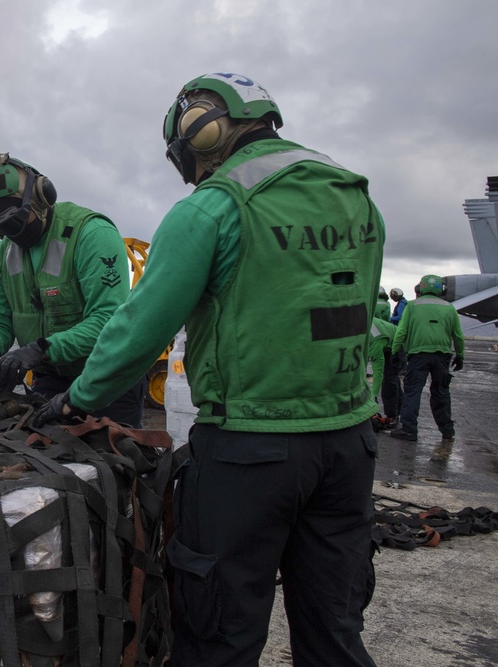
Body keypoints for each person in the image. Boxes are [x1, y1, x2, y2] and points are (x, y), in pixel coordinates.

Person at [34, 72, 383, 665]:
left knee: (217, 634)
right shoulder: (356, 197)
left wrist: (78, 399)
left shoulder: (211, 209)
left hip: (250, 452)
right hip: (350, 444)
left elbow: (140, 329)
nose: (192, 172)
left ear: (203, 132)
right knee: (334, 630)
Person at [0, 152, 146, 427]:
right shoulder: (2, 255)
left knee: (112, 459)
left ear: (41, 197)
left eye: (13, 222)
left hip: (108, 378)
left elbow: (108, 320)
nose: (9, 236)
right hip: (49, 378)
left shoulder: (92, 235)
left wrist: (41, 349)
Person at [389, 274, 465, 442]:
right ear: (442, 290)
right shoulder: (449, 307)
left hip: (418, 355)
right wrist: (460, 356)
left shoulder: (412, 306)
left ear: (419, 288)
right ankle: (447, 430)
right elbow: (458, 336)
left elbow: (401, 331)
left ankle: (409, 430)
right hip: (442, 356)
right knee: (441, 392)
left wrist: (395, 351)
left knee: (412, 391)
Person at [369, 316, 401, 428]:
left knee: (389, 380)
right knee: (393, 379)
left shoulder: (374, 343)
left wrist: (373, 396)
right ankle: (399, 407)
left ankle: (392, 415)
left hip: (398, 343)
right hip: (385, 338)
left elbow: (378, 373)